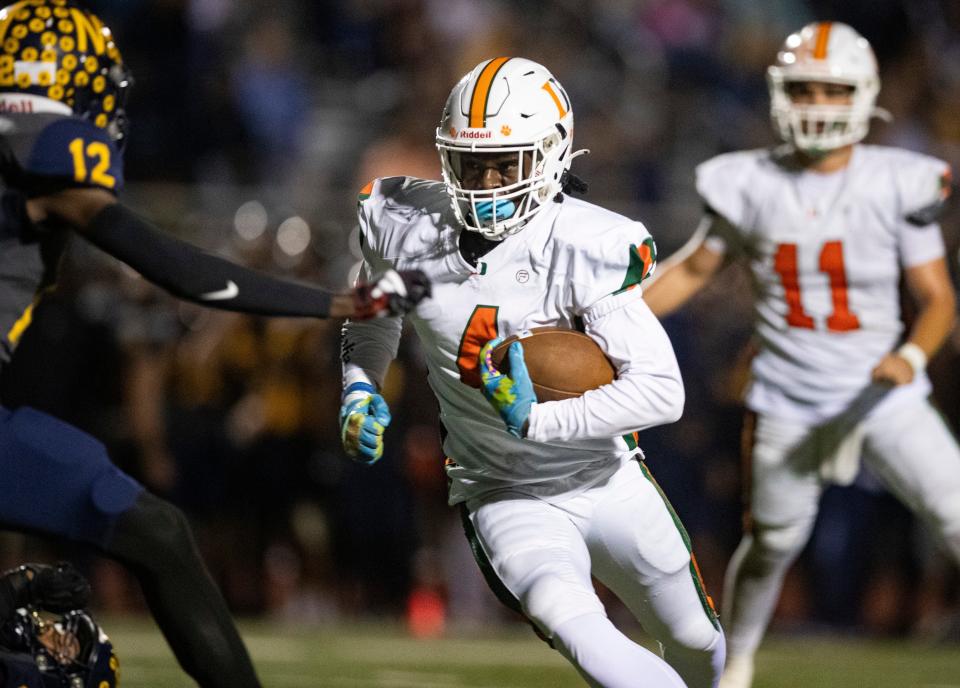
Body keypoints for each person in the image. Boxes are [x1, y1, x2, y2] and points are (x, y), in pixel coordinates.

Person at [0, 3, 430, 688]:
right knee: (141, 550)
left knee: (140, 540)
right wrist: (334, 302)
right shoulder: (42, 146)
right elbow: (175, 267)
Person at [340, 56, 725, 688]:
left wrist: (538, 418)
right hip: (502, 492)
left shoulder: (584, 243)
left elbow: (663, 390)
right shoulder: (403, 225)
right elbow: (374, 306)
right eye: (470, 162)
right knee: (581, 631)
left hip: (604, 478)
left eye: (505, 162)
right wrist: (360, 382)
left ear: (551, 156)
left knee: (697, 641)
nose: (485, 181)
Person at [641, 21, 959, 688]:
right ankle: (739, 660)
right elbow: (694, 269)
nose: (816, 102)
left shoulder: (900, 180)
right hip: (787, 395)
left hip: (882, 393)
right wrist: (613, 315)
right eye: (803, 88)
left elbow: (937, 299)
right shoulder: (748, 181)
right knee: (772, 545)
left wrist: (911, 357)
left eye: (831, 89)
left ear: (863, 95)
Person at [0, 561, 117, 688]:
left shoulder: (22, 673)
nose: (49, 626)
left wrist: (26, 579)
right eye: (61, 629)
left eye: (64, 644)